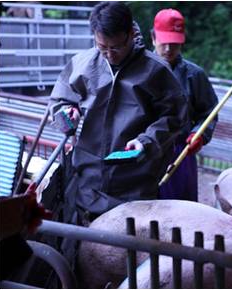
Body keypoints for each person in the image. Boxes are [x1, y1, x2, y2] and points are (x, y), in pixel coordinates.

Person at [50, 2, 187, 224]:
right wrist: (67, 112)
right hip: (88, 177)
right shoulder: (83, 64)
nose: (109, 55)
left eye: (115, 48)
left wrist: (146, 141)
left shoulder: (156, 70)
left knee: (126, 245)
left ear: (131, 34)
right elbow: (60, 99)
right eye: (102, 47)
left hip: (135, 181)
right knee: (83, 239)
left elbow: (174, 118)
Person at [150, 8, 219, 202]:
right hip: (146, 152)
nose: (169, 49)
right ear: (153, 38)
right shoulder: (138, 70)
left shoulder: (194, 75)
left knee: (181, 211)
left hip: (180, 153)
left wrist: (200, 134)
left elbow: (209, 112)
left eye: (175, 44)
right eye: (164, 42)